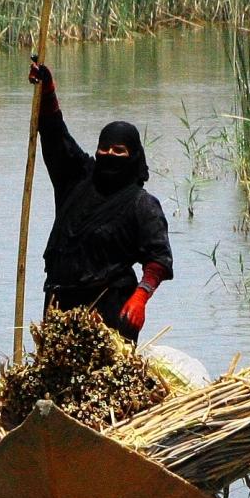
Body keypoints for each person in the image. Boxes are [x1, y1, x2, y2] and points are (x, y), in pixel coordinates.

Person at [27, 57, 173, 341]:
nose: (109, 155)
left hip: (109, 306)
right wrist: (47, 89)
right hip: (59, 302)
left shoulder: (141, 204)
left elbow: (158, 260)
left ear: (132, 157)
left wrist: (140, 297)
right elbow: (57, 137)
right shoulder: (77, 179)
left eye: (119, 151)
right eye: (104, 149)